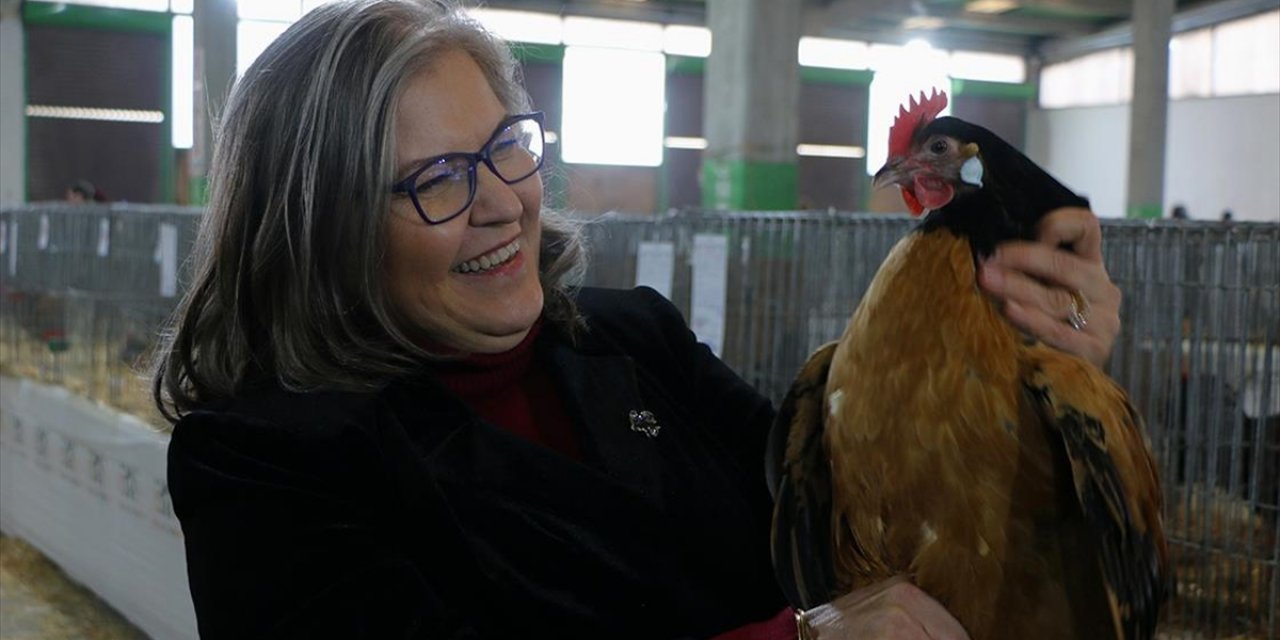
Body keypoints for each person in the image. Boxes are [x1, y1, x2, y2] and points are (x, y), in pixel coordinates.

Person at [151, 1, 1123, 638]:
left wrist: (1019, 371)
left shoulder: (634, 340)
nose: (501, 202)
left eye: (504, 146)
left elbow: (847, 508)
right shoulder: (263, 460)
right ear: (322, 228)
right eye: (437, 179)